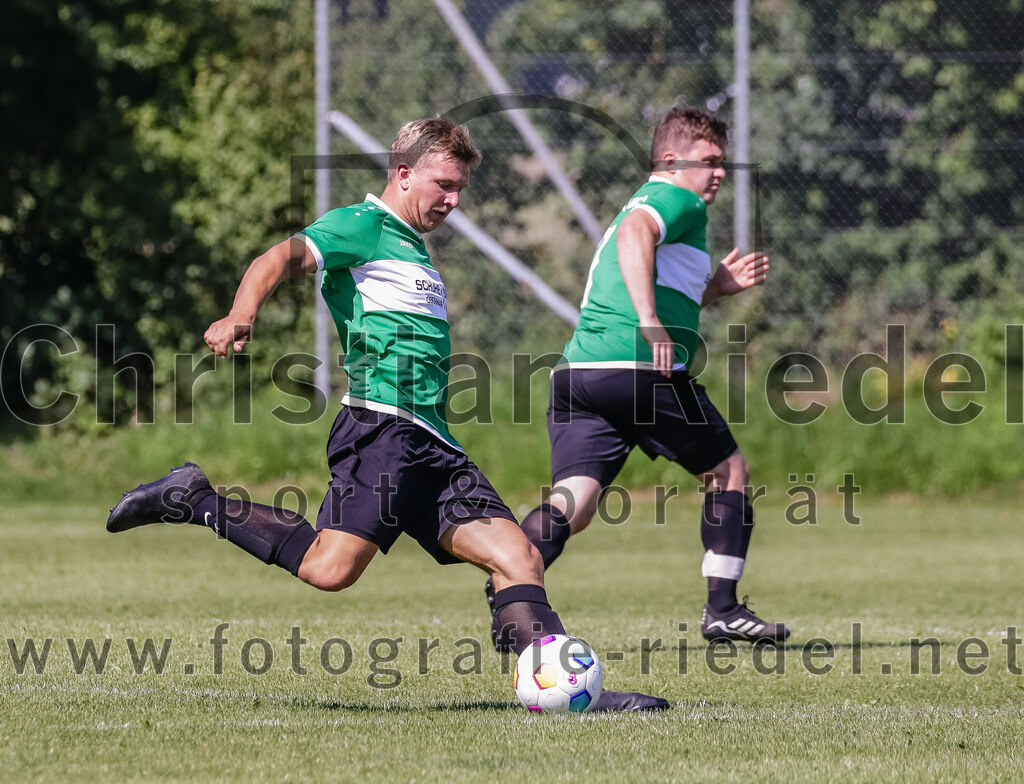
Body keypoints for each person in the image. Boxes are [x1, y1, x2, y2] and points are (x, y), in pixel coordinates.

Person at [106, 116, 667, 711]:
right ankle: (193, 498)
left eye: (460, 189)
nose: (452, 200)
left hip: (434, 443)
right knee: (329, 568)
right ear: (403, 174)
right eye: (443, 184)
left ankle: (567, 689)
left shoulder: (413, 249)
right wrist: (242, 312)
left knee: (518, 555)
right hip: (382, 431)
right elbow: (278, 257)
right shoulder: (361, 226)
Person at [488, 107, 790, 644]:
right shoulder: (676, 198)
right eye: (709, 162)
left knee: (573, 502)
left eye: (723, 164)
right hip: (637, 370)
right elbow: (634, 235)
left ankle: (510, 584)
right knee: (729, 472)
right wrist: (649, 322)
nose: (718, 174)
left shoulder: (653, 204)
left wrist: (716, 287)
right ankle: (722, 610)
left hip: (579, 376)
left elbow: (660, 273)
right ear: (671, 160)